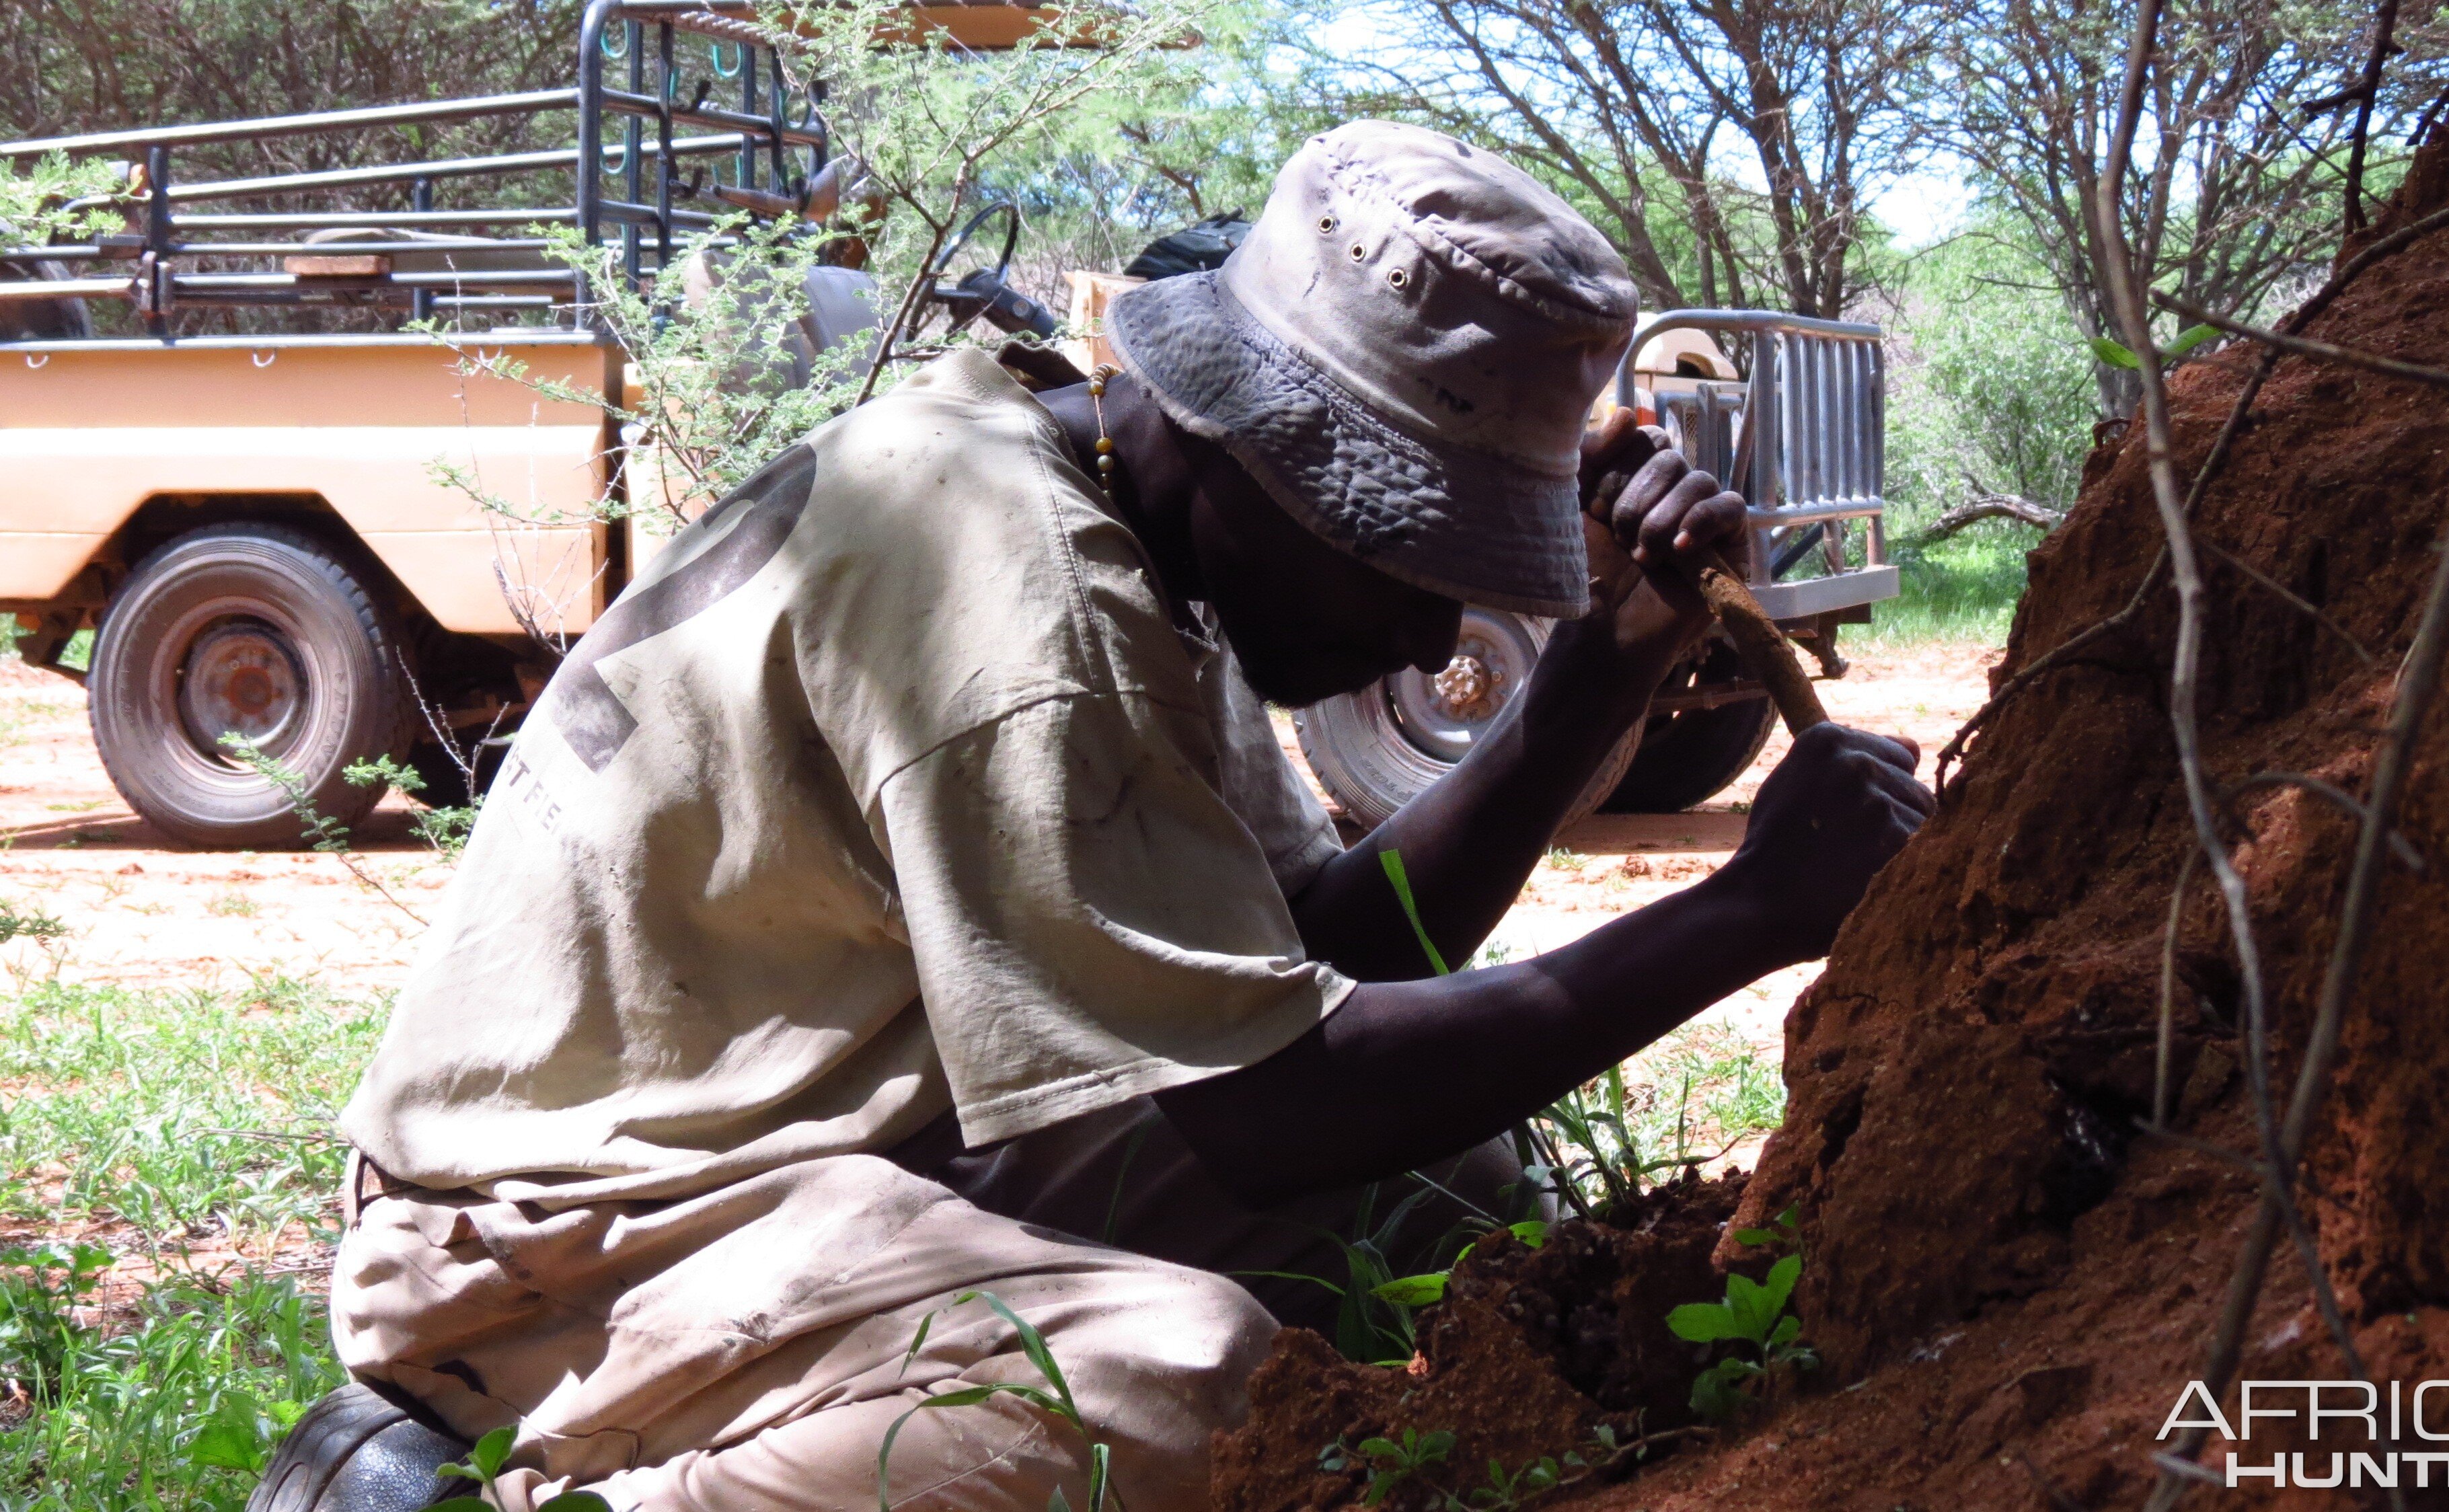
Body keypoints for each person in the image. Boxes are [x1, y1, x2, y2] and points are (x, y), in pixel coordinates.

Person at [251, 120, 1930, 1512]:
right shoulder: (1017, 603)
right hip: (574, 1228)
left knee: (1454, 1193)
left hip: (853, 1134)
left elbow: (1289, 971)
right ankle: (498, 1470)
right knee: (1177, 1386)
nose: (1432, 640)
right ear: (1245, 443)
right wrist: (1740, 914)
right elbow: (1267, 1118)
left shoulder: (1116, 519)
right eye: (1405, 557)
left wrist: (1585, 698)